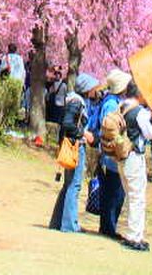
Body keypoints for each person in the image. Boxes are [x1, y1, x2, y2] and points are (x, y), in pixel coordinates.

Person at [50, 73, 97, 232]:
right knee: (74, 185)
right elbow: (68, 124)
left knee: (68, 185)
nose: (94, 91)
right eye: (92, 88)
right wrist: (84, 134)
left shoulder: (72, 100)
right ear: (86, 88)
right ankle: (69, 225)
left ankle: (58, 222)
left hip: (70, 145)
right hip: (76, 146)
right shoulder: (77, 102)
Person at [116, 83, 152, 251]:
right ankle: (134, 236)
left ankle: (131, 233)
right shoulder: (140, 112)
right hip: (134, 157)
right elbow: (149, 134)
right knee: (137, 197)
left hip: (122, 156)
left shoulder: (121, 106)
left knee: (130, 195)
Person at [91, 69, 128, 236]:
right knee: (115, 193)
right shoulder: (112, 104)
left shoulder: (109, 100)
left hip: (106, 153)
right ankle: (108, 228)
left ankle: (108, 227)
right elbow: (109, 129)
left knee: (111, 192)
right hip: (110, 155)